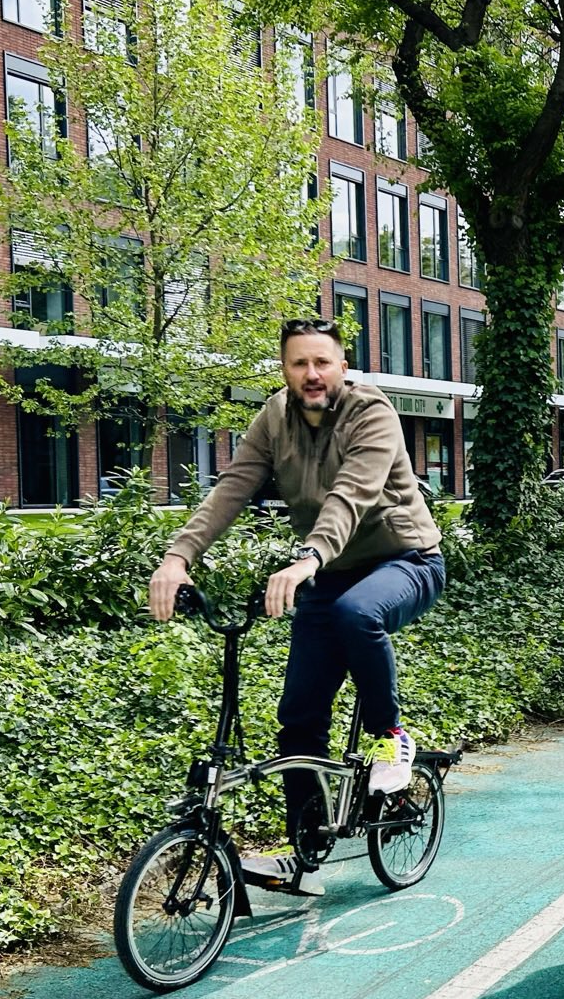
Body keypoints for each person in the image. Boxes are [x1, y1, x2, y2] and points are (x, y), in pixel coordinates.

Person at [148, 317, 447, 897]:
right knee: (298, 718)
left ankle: (391, 737)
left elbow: (352, 494)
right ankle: (306, 846)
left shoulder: (373, 414)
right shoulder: (274, 418)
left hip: (405, 561)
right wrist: (176, 556)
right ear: (285, 370)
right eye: (298, 364)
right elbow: (231, 488)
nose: (311, 374)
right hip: (326, 571)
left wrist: (308, 556)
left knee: (357, 613)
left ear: (342, 366)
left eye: (322, 362)